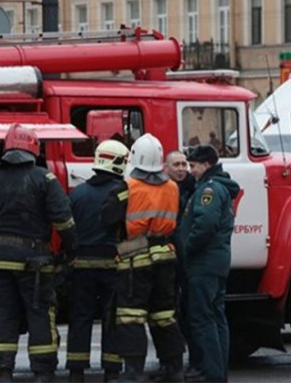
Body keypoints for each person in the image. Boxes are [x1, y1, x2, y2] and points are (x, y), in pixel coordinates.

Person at [0, 124, 77, 383]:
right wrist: (71, 251)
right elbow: (64, 221)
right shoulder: (44, 178)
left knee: (3, 314)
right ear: (34, 148)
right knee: (39, 312)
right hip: (34, 260)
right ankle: (43, 372)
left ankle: (3, 371)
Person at [103, 133, 185, 382]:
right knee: (164, 315)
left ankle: (134, 372)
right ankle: (174, 369)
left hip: (135, 261)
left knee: (131, 317)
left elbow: (106, 219)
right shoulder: (172, 186)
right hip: (166, 258)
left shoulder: (126, 188)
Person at [66, 140, 130, 383]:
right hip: (112, 265)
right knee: (112, 318)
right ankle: (112, 372)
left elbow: (68, 228)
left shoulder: (78, 192)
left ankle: (76, 371)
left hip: (82, 266)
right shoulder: (123, 191)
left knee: (80, 317)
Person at [181, 145, 240, 383]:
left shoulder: (209, 189)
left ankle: (211, 373)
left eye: (193, 166)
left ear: (206, 164)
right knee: (216, 317)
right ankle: (217, 372)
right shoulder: (217, 187)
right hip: (215, 262)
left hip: (203, 263)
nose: (190, 171)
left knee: (202, 318)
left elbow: (205, 224)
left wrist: (187, 248)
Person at [149, 151, 196, 382]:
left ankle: (183, 364)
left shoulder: (194, 189)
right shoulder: (164, 189)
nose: (181, 168)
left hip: (185, 262)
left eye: (184, 164)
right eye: (176, 164)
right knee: (166, 315)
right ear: (165, 167)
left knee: (186, 315)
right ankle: (168, 363)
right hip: (167, 261)